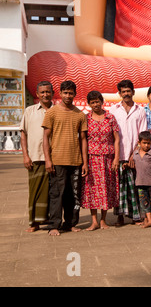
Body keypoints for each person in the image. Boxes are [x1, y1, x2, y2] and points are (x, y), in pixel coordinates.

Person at [42, 80, 88, 236]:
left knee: (73, 195)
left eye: (71, 93)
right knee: (56, 194)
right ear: (60, 93)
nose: (68, 96)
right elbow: (46, 137)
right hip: (57, 161)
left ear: (75, 94)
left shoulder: (80, 114)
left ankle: (70, 223)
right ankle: (54, 225)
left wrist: (85, 163)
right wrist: (48, 160)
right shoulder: (52, 112)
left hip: (75, 161)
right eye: (65, 93)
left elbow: (83, 139)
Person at [109, 80, 148, 226]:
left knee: (135, 186)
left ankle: (135, 216)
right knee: (119, 187)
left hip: (134, 155)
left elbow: (143, 134)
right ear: (119, 93)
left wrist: (134, 154)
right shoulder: (113, 110)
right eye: (123, 91)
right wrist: (115, 156)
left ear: (133, 92)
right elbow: (111, 135)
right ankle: (119, 216)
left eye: (128, 91)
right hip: (118, 155)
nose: (126, 94)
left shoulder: (140, 110)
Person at [81, 91, 120, 231]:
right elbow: (84, 140)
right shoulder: (86, 119)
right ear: (89, 104)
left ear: (102, 101)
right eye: (92, 102)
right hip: (92, 159)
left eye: (97, 101)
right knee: (92, 190)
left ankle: (103, 220)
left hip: (108, 158)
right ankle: (94, 221)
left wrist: (116, 158)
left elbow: (116, 139)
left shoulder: (110, 117)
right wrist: (85, 162)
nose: (95, 104)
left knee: (106, 189)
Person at [20, 81, 54, 232]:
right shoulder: (30, 111)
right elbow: (23, 133)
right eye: (42, 92)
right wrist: (25, 156)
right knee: (35, 190)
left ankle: (52, 220)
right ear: (37, 94)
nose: (45, 94)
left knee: (52, 192)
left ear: (52, 93)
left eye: (48, 91)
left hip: (54, 157)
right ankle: (34, 222)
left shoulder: (57, 110)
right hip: (35, 157)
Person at [132, 131, 151, 228]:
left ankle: (150, 219)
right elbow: (133, 164)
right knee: (144, 202)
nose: (146, 145)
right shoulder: (135, 153)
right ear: (139, 142)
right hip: (140, 182)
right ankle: (149, 220)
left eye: (148, 143)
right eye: (144, 143)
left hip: (150, 182)